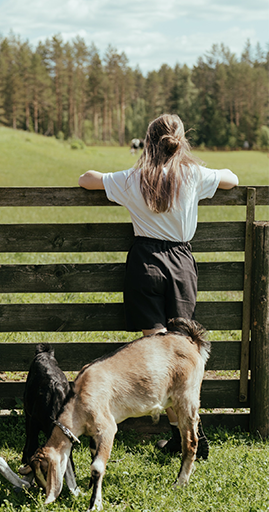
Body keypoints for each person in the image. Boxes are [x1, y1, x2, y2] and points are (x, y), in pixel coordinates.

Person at [78, 113, 239, 457]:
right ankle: (191, 431)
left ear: (149, 141)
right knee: (181, 353)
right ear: (181, 142)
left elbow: (87, 179)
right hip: (181, 264)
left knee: (154, 352)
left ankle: (177, 433)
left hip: (145, 263)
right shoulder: (193, 174)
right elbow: (232, 178)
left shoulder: (135, 177)